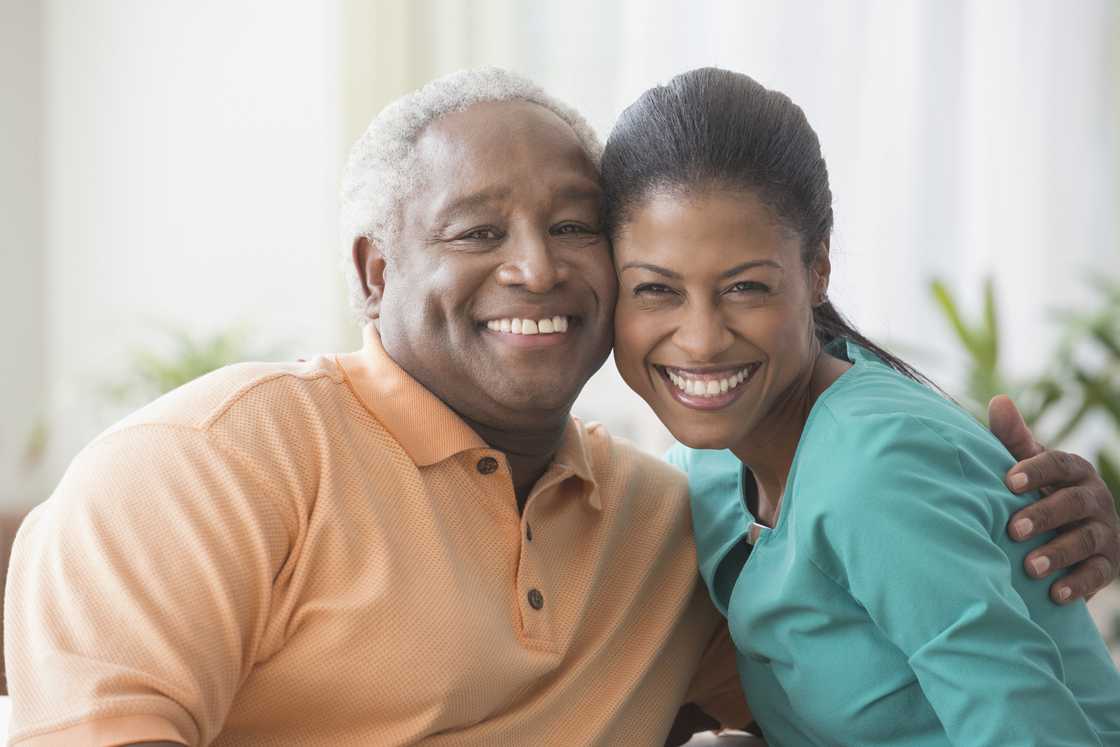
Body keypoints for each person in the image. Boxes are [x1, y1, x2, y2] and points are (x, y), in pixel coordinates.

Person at [4, 67, 1117, 747]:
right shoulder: (210, 466)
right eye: (477, 231)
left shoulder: (664, 513)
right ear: (375, 270)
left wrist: (1035, 533)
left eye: (574, 227)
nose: (535, 270)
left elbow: (858, 672)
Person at [603, 67, 1120, 745]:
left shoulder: (872, 467)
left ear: (817, 268)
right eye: (656, 290)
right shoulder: (707, 474)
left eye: (746, 287)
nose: (700, 339)